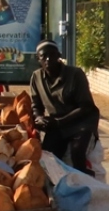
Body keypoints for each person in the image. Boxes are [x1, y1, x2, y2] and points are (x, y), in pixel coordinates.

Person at [28, 40, 100, 176]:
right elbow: (36, 105)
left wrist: (60, 121)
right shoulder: (36, 77)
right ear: (38, 59)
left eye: (52, 55)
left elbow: (86, 107)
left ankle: (85, 182)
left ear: (59, 56)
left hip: (80, 123)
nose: (48, 59)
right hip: (57, 126)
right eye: (44, 56)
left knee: (77, 153)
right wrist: (39, 118)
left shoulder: (75, 75)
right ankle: (55, 189)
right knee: (47, 156)